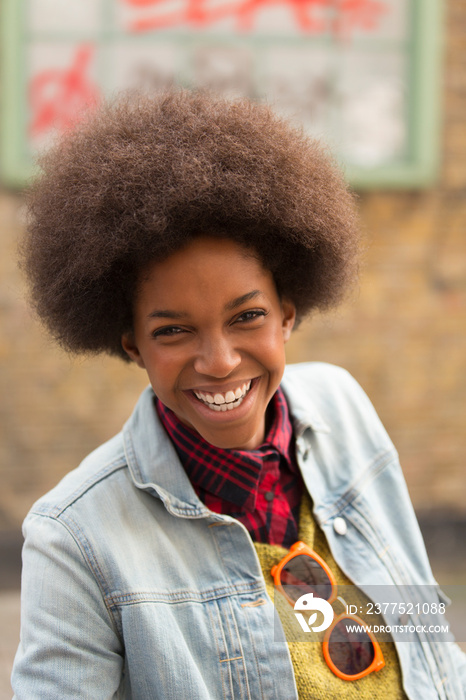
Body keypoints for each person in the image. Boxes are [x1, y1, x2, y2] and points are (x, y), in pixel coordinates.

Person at [12, 90, 465, 699]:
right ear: (131, 345)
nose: (219, 361)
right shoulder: (76, 539)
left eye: (247, 316)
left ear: (288, 313)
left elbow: (422, 627)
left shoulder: (342, 405)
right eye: (172, 330)